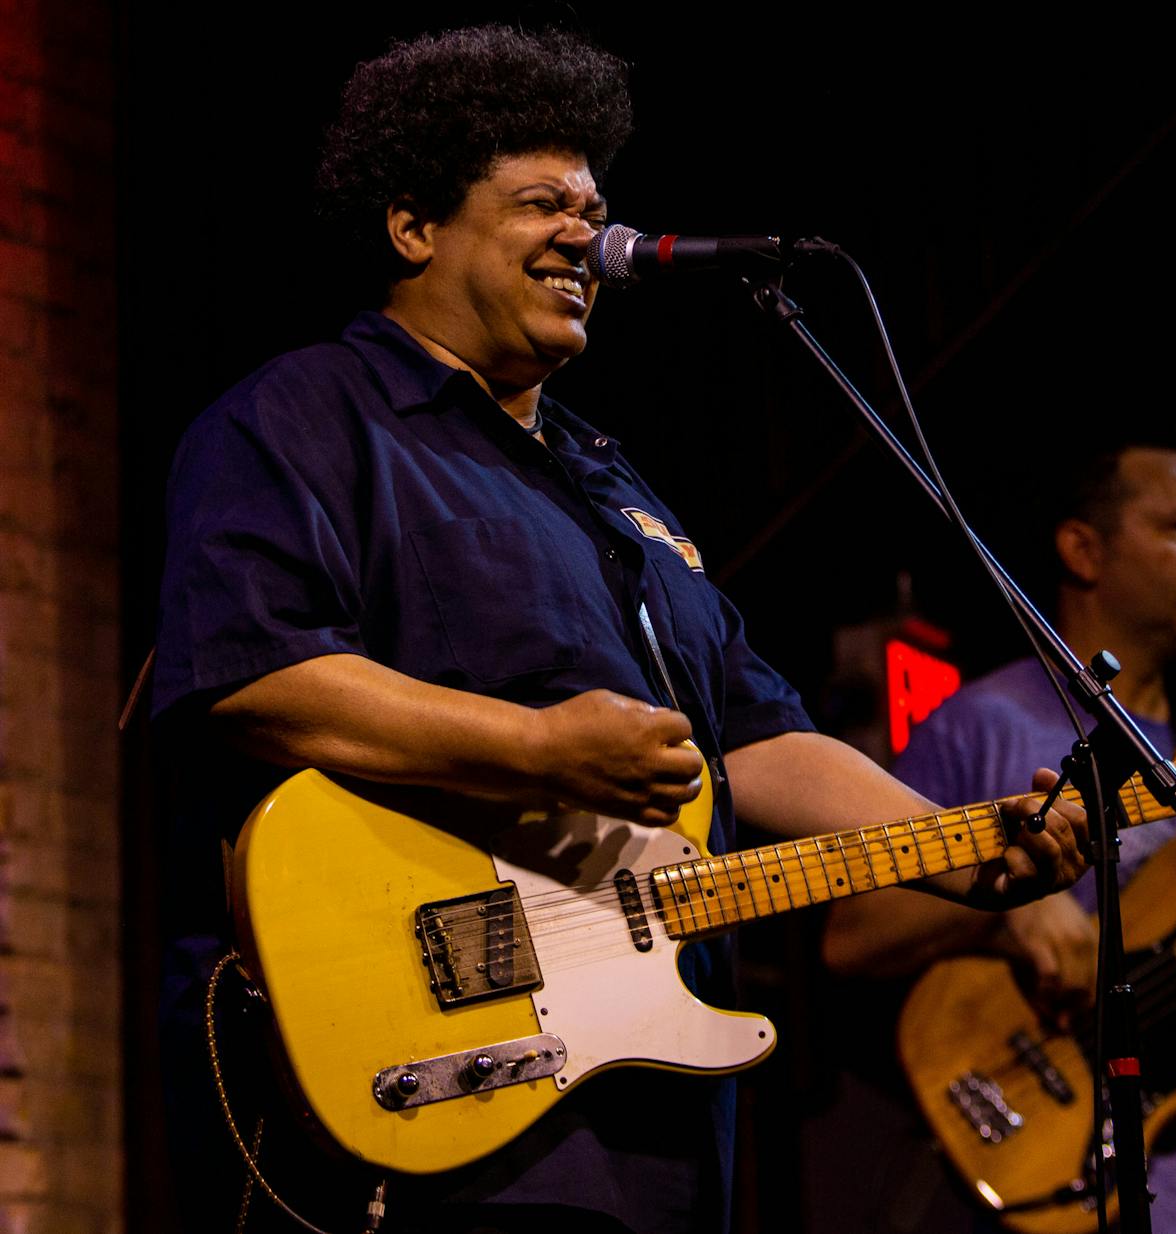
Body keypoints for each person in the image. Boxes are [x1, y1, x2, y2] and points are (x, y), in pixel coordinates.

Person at [152, 26, 1088, 1234]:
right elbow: (250, 674)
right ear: (412, 226)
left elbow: (747, 737)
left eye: (594, 207)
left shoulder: (616, 485)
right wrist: (536, 750)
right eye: (541, 202)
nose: (585, 237)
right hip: (416, 1082)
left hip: (646, 1105)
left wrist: (951, 848)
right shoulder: (302, 420)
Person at [823, 444, 1176, 1233]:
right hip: (1072, 1182)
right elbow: (850, 935)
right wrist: (1009, 912)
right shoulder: (989, 723)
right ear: (1084, 551)